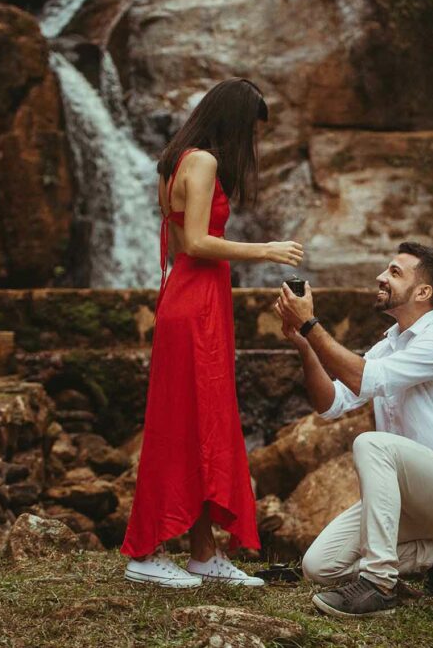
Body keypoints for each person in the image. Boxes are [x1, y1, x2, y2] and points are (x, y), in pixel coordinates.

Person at [121, 78, 304, 588]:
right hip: (195, 306)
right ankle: (145, 552)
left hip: (195, 302)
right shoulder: (202, 161)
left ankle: (203, 554)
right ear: (233, 121)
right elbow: (197, 242)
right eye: (252, 130)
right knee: (180, 426)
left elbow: (183, 244)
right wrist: (266, 250)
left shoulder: (174, 161)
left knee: (205, 426)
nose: (253, 143)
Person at [274, 242, 433, 617]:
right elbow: (331, 404)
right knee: (319, 567)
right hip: (407, 500)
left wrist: (313, 324)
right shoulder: (389, 345)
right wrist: (304, 343)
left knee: (372, 443)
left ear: (423, 292)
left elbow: (364, 378)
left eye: (394, 272)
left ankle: (379, 584)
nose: (380, 277)